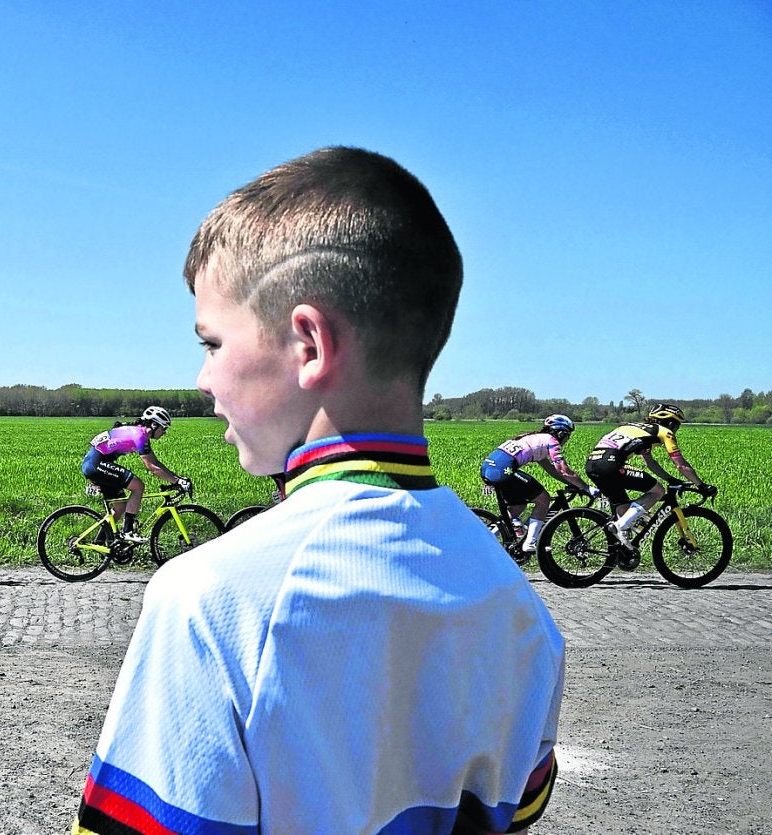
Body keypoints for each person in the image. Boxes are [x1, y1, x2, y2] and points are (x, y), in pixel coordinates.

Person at [74, 147, 564, 834]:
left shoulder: (212, 602)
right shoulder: (520, 613)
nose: (201, 379)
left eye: (212, 343)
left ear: (308, 344)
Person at [585, 403, 713, 563]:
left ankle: (623, 552)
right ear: (671, 423)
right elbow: (680, 464)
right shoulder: (665, 432)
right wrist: (701, 485)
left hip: (592, 464)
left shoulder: (638, 428)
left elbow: (649, 462)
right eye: (677, 426)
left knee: (623, 508)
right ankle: (619, 526)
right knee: (658, 491)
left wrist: (670, 479)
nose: (676, 430)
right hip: (611, 464)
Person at [480, 414, 602, 556]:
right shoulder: (551, 441)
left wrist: (571, 483)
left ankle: (488, 537)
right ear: (561, 433)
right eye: (568, 436)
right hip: (503, 471)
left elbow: (552, 470)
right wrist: (586, 487)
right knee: (543, 499)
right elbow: (563, 469)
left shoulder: (537, 439)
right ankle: (530, 543)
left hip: (489, 469)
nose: (567, 440)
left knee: (519, 505)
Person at [80, 406, 191, 545]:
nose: (164, 433)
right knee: (138, 486)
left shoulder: (138, 432)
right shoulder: (139, 435)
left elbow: (155, 462)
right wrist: (177, 481)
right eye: (164, 428)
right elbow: (152, 467)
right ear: (154, 425)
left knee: (119, 508)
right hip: (96, 464)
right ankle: (127, 532)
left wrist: (177, 479)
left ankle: (100, 544)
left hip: (96, 463)